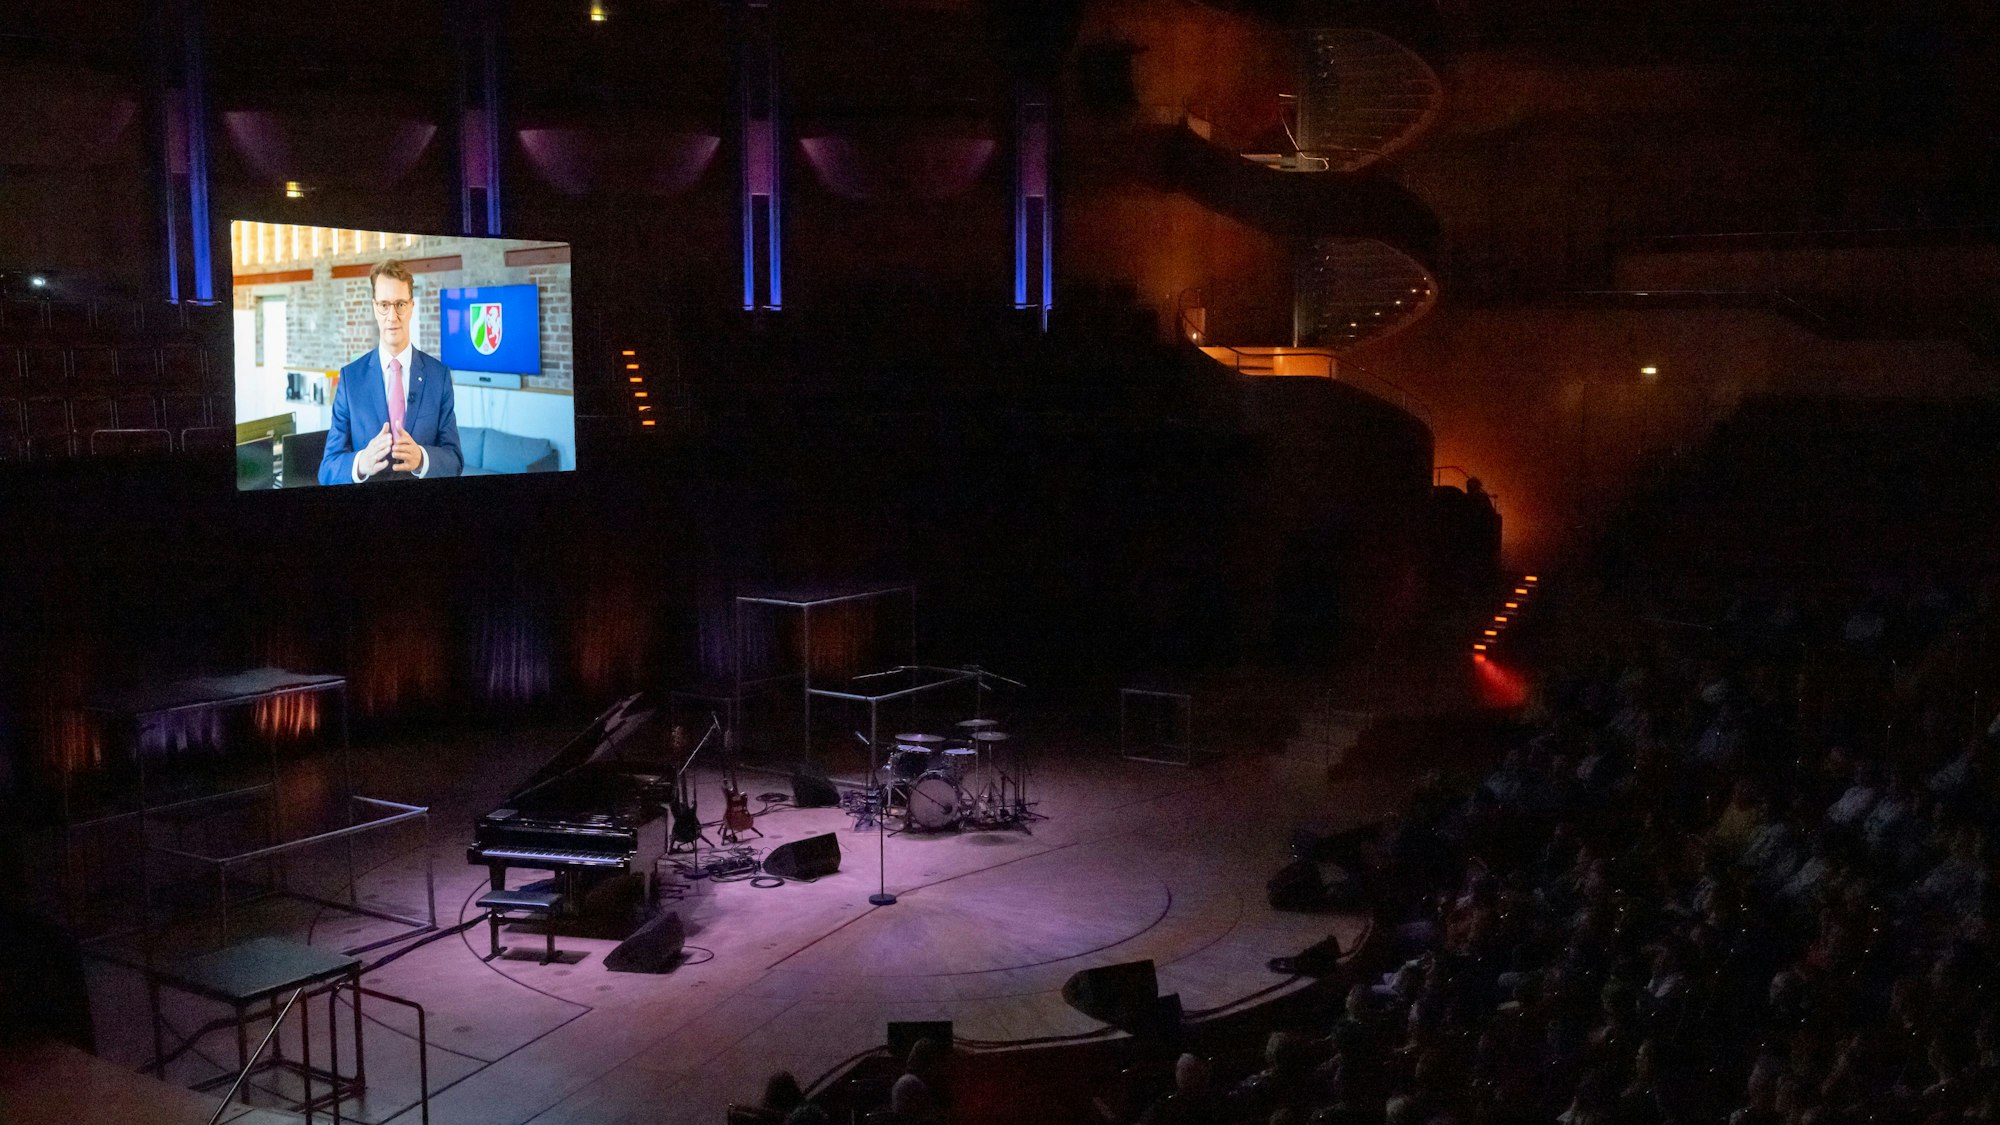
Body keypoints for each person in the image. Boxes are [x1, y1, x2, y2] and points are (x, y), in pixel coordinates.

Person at [319, 259, 462, 484]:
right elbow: (327, 469)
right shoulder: (350, 379)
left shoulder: (439, 376)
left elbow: (454, 460)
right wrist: (361, 462)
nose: (392, 317)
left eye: (400, 304)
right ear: (374, 307)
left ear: (411, 306)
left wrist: (422, 458)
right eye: (384, 305)